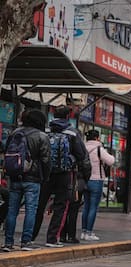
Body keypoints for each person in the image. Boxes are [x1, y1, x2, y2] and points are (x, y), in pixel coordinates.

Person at [32, 105, 86, 248]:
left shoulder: (46, 130)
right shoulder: (73, 133)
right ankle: (52, 239)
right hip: (64, 173)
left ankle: (30, 236)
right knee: (61, 206)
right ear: (68, 117)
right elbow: (81, 155)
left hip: (46, 173)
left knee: (39, 205)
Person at [2, 109, 51, 252]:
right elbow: (46, 160)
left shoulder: (14, 133)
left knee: (12, 210)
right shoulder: (42, 136)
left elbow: (7, 151)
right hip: (33, 178)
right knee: (31, 210)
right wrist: (45, 177)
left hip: (15, 176)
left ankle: (8, 242)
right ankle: (26, 242)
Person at [82, 129, 114, 241]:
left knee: (86, 206)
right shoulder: (99, 148)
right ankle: (89, 233)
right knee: (93, 207)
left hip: (85, 180)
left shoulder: (83, 148)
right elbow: (111, 161)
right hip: (96, 181)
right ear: (97, 138)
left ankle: (83, 231)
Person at [60, 131, 91, 244]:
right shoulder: (81, 150)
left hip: (62, 180)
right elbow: (87, 165)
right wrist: (85, 180)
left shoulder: (62, 147)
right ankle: (71, 236)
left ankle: (61, 235)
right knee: (73, 210)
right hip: (77, 181)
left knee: (62, 208)